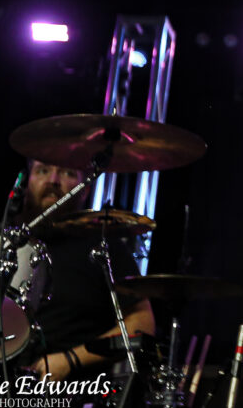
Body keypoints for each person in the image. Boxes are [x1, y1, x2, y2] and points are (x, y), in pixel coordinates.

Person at [16, 160, 155, 381]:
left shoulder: (104, 245)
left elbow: (141, 324)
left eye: (68, 173)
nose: (53, 180)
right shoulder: (8, 242)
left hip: (75, 388)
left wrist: (71, 359)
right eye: (43, 170)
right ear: (26, 181)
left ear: (86, 189)